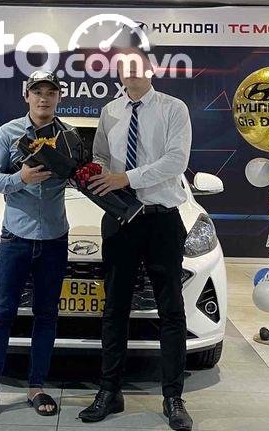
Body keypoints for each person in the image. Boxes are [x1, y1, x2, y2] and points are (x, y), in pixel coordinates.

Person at [79, 47, 194, 431]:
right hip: (120, 221)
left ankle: (173, 397)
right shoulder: (110, 111)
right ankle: (109, 391)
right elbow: (100, 155)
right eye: (123, 66)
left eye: (136, 65)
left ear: (150, 69)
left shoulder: (173, 109)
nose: (130, 71)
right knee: (114, 308)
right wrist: (94, 173)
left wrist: (125, 178)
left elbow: (175, 161)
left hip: (162, 220)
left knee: (170, 310)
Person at [0, 69, 70, 424]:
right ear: (26, 96)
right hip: (15, 238)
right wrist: (20, 178)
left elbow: (82, 174)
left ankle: (36, 387)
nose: (44, 98)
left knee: (46, 315)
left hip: (55, 239)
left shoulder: (69, 136)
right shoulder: (8, 132)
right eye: (37, 92)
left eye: (51, 92)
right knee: (2, 314)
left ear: (59, 97)